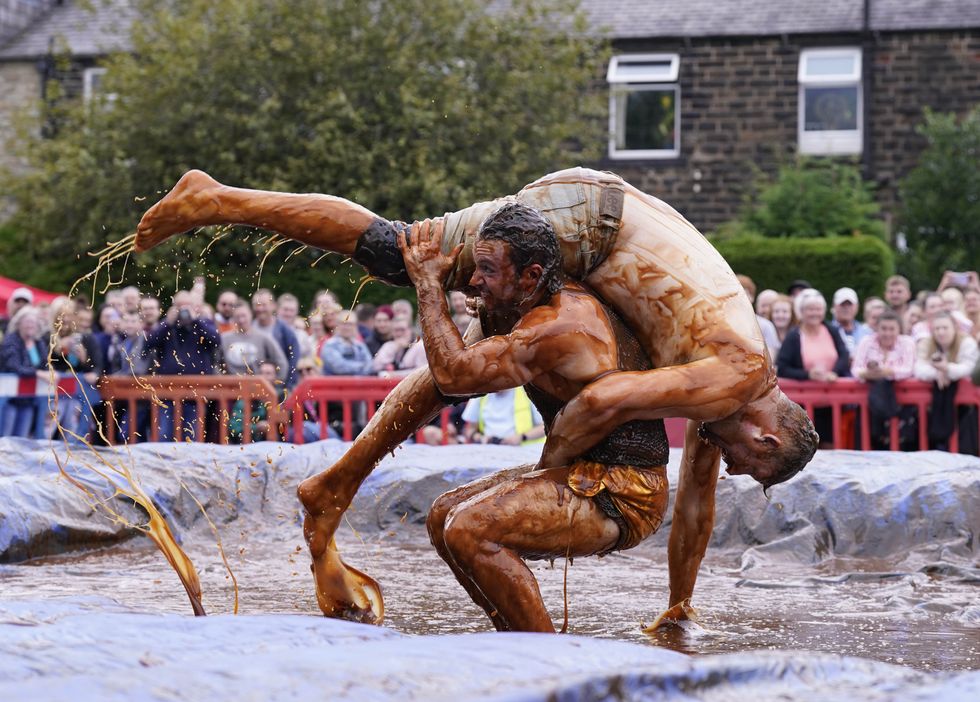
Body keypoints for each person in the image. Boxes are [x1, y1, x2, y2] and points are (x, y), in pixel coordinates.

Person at [135, 166, 818, 628]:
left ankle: (338, 482)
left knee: (463, 355)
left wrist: (679, 605)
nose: (726, 465)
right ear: (767, 438)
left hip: (603, 215)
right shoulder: (737, 374)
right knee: (399, 251)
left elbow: (695, 510)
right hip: (593, 221)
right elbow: (601, 405)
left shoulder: (726, 396)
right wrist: (551, 474)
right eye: (746, 466)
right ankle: (216, 199)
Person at [406, 204, 670, 632]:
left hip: (626, 489)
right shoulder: (538, 296)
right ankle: (514, 637)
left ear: (530, 276)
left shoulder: (560, 325)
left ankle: (546, 657)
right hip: (581, 470)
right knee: (442, 516)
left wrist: (427, 283)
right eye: (476, 267)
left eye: (487, 269)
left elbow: (454, 376)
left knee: (469, 528)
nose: (473, 280)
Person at [142, 290, 221, 440]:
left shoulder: (203, 323)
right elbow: (149, 343)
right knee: (163, 434)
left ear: (195, 307)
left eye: (187, 306)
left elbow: (216, 340)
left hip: (196, 391)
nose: (183, 311)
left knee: (192, 435)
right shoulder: (167, 326)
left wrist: (196, 320)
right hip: (167, 391)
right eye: (180, 307)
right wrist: (167, 323)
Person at [776, 289, 850, 447]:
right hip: (803, 405)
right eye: (810, 309)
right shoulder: (793, 336)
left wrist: (834, 372)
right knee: (806, 447)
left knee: (832, 446)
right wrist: (808, 374)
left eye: (818, 309)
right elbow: (782, 368)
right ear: (801, 312)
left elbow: (844, 356)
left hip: (831, 402)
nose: (814, 313)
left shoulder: (832, 330)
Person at [914, 312, 979, 451]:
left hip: (966, 407)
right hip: (935, 402)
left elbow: (970, 368)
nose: (941, 332)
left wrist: (946, 369)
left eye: (945, 328)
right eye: (937, 329)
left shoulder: (967, 342)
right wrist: (938, 373)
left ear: (954, 327)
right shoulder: (927, 343)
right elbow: (918, 369)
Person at [851, 310, 916, 450]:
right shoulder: (866, 341)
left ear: (899, 329)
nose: (887, 333)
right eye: (884, 328)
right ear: (877, 328)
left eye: (892, 329)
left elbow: (908, 369)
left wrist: (886, 372)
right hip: (870, 402)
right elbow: (856, 369)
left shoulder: (907, 342)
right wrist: (869, 373)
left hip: (902, 403)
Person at [0, 307, 49, 437]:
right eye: (27, 321)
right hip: (10, 399)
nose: (30, 325)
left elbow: (45, 364)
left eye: (33, 322)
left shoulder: (38, 343)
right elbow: (14, 366)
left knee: (22, 439)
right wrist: (37, 373)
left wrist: (50, 372)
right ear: (19, 323)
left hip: (28, 399)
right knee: (6, 438)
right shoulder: (11, 340)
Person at [221, 303, 289, 382]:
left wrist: (276, 384)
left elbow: (281, 362)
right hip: (232, 387)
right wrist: (220, 382)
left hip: (257, 387)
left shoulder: (263, 338)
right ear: (233, 319)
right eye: (237, 317)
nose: (241, 320)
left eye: (244, 316)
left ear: (251, 315)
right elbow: (215, 361)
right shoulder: (224, 339)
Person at [461, 387, 545, 446]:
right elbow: (469, 429)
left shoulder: (527, 392)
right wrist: (480, 438)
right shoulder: (480, 395)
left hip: (524, 453)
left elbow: (545, 427)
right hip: (491, 453)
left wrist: (521, 437)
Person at [251, 289, 300, 387]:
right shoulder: (250, 328)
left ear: (273, 306)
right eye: (257, 305)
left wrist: (288, 387)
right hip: (254, 386)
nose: (260, 309)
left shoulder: (285, 331)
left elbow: (293, 360)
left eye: (264, 305)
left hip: (280, 386)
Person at [736, 274, 779, 358]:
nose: (740, 298)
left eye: (744, 294)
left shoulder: (765, 325)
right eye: (735, 294)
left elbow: (770, 357)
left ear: (752, 297)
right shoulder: (721, 323)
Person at [319, 311, 373, 376]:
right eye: (344, 323)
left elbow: (370, 365)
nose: (347, 327)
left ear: (355, 326)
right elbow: (339, 367)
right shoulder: (330, 345)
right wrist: (362, 366)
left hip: (358, 384)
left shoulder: (360, 346)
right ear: (337, 325)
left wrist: (364, 367)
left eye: (350, 324)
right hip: (335, 384)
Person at [829, 287, 871, 357]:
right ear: (834, 306)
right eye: (842, 304)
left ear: (857, 307)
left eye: (850, 304)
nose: (846, 308)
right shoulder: (827, 331)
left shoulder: (867, 332)